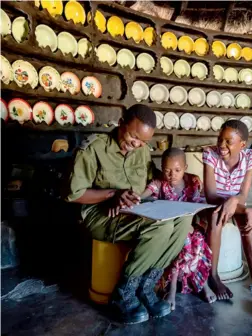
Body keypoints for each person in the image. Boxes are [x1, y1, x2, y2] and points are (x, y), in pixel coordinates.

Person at [65, 104, 192, 325]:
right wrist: (112, 194)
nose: (137, 145)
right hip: (102, 214)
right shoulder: (94, 148)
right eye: (134, 137)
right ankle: (123, 293)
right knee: (160, 227)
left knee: (183, 220)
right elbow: (73, 195)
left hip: (135, 210)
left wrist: (185, 180)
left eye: (143, 141)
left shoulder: (141, 150)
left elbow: (155, 179)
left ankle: (145, 288)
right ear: (121, 123)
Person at [201, 120, 252, 328]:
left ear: (243, 145)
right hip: (213, 205)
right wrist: (243, 207)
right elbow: (211, 196)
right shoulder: (209, 154)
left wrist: (243, 208)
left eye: (229, 141)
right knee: (216, 216)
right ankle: (213, 276)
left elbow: (243, 194)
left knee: (249, 227)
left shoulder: (251, 157)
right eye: (220, 139)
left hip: (237, 205)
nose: (222, 145)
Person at [140, 148, 217, 310]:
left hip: (191, 225)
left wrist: (194, 223)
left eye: (177, 170)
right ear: (161, 168)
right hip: (171, 228)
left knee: (197, 239)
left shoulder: (194, 182)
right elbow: (144, 195)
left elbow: (199, 206)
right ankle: (173, 286)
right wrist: (137, 197)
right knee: (185, 240)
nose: (172, 175)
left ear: (185, 167)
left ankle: (202, 284)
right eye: (167, 170)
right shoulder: (159, 183)